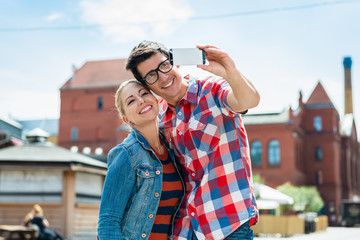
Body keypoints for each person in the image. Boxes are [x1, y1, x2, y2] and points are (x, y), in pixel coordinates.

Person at [126, 41, 260, 240]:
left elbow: (249, 101)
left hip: (227, 224)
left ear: (175, 64)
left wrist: (231, 72)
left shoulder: (211, 90)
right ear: (147, 86)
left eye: (164, 66)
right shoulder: (159, 117)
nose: (163, 77)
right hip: (184, 230)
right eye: (152, 76)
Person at [97, 79, 185, 239]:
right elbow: (108, 222)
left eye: (144, 93)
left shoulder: (173, 150)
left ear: (157, 100)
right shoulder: (126, 154)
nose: (141, 100)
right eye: (131, 101)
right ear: (127, 120)